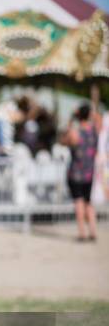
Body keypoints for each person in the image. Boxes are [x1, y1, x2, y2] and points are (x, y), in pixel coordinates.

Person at [63, 103, 101, 242]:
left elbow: (63, 140)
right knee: (89, 203)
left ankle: (82, 233)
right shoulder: (94, 131)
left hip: (75, 174)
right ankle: (93, 231)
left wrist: (71, 119)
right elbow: (98, 120)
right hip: (89, 174)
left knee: (79, 203)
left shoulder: (75, 132)